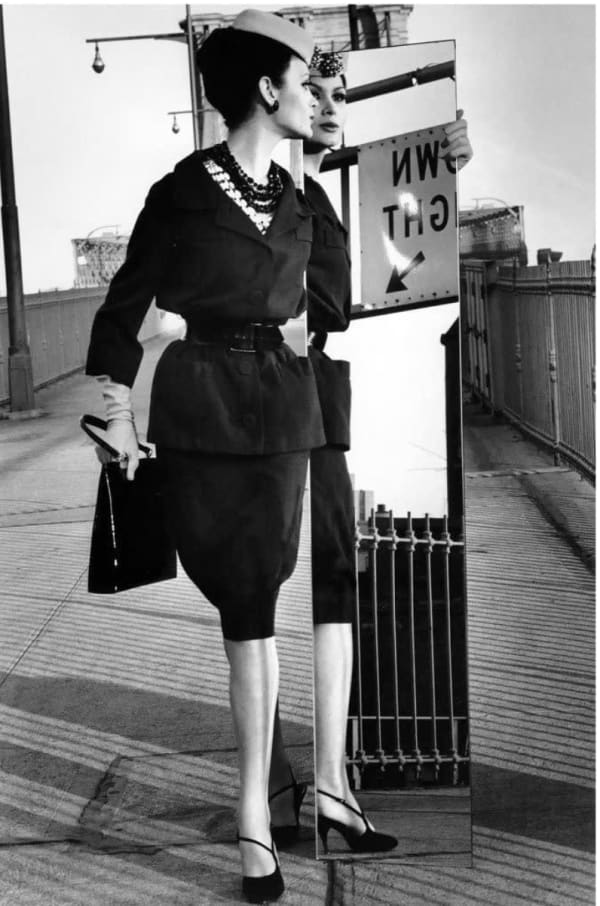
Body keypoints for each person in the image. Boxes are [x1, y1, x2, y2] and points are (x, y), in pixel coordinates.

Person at [85, 11, 322, 903]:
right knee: (245, 610)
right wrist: (116, 407)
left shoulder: (303, 199)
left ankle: (263, 802)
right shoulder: (182, 191)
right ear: (267, 90)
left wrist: (443, 150)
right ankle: (256, 815)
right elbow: (123, 306)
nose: (314, 95)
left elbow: (355, 275)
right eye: (304, 80)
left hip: (284, 418)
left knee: (258, 607)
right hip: (206, 414)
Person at [268, 47, 473, 855]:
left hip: (313, 403)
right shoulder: (267, 192)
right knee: (278, 593)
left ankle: (328, 783)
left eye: (338, 93)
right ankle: (300, 786)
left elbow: (396, 255)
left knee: (332, 582)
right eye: (312, 91)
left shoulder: (315, 191)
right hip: (272, 407)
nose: (327, 106)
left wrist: (449, 171)